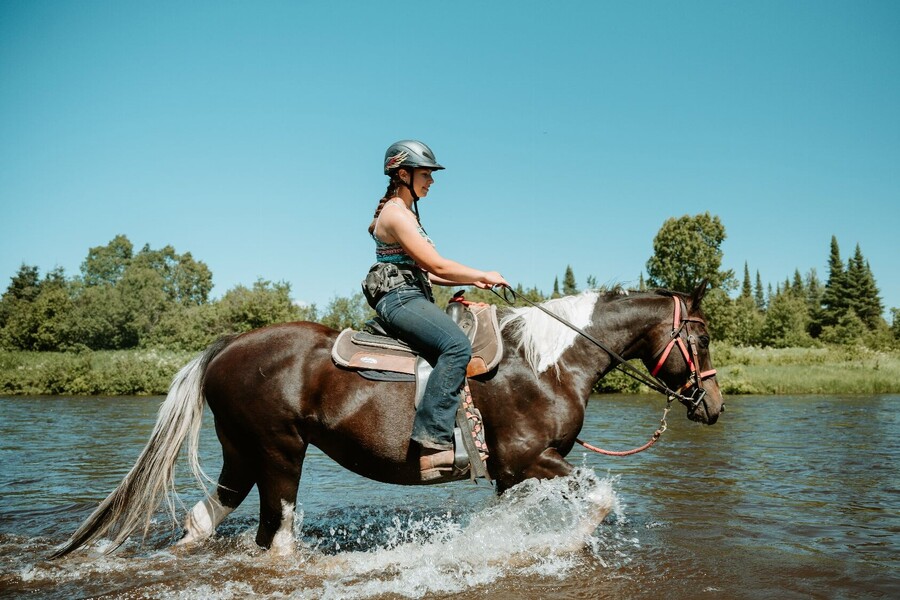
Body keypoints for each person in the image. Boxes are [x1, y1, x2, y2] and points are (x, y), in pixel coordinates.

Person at [363, 140, 508, 480]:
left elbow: (427, 273)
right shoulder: (396, 214)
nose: (431, 181)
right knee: (457, 346)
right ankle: (431, 442)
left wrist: (474, 282)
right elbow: (437, 266)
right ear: (403, 174)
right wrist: (481, 273)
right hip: (400, 299)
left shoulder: (408, 214)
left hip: (412, 293)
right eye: (425, 174)